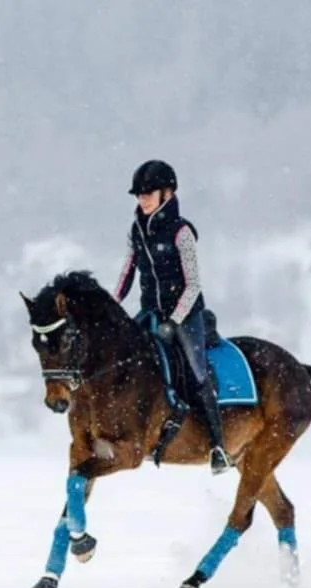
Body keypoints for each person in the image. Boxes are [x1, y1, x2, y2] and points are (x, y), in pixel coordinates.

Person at [113, 159, 233, 474]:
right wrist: (113, 304)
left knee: (196, 371)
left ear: (168, 193)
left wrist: (174, 321)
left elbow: (193, 284)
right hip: (150, 310)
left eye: (148, 193)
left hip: (186, 314)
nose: (143, 199)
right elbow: (127, 270)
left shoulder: (182, 232)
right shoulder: (136, 229)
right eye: (139, 195)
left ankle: (218, 446)